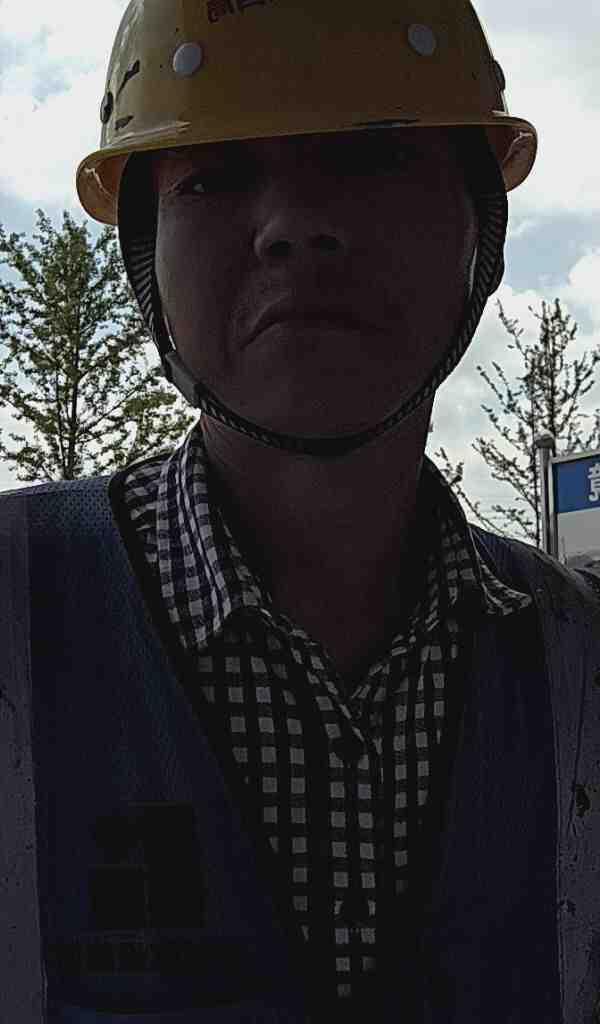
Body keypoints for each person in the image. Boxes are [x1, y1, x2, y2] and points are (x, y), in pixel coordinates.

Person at [2, 1, 600, 1022]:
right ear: (144, 256)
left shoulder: (579, 661)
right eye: (214, 177)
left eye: (372, 158)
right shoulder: (14, 606)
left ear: (481, 230)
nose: (294, 224)